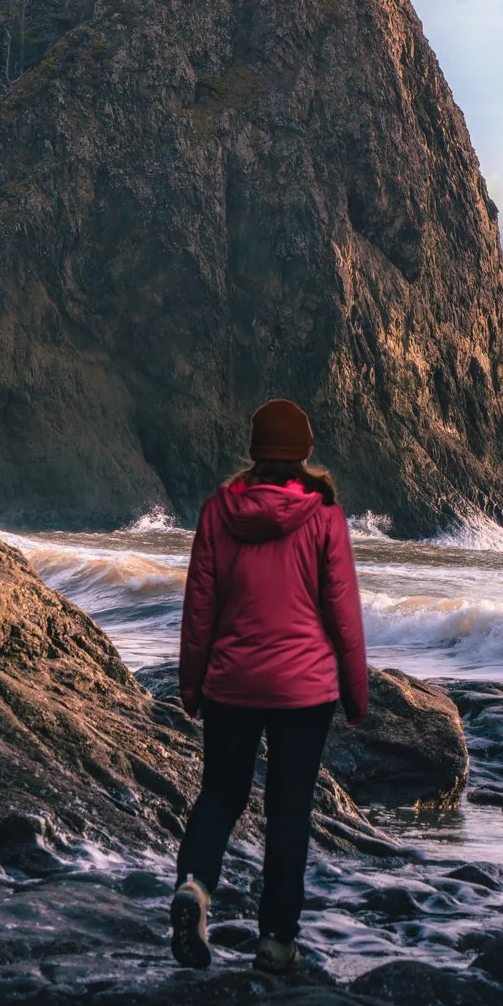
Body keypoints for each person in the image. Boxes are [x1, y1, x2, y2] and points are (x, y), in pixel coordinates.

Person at [170, 398, 369, 975]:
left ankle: (195, 888)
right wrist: (355, 693)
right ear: (304, 453)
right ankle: (277, 940)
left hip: (231, 682)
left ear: (255, 451)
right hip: (304, 691)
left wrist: (191, 684)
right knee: (288, 812)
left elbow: (199, 608)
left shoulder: (217, 512)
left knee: (220, 796)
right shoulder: (325, 515)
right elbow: (343, 613)